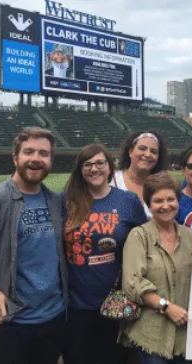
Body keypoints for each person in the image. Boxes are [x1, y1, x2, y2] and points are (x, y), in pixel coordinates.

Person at [0, 128, 67, 363]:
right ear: (15, 157)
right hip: (9, 323)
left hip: (53, 318)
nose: (36, 158)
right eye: (29, 152)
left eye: (43, 153)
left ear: (50, 161)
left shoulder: (56, 202)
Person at [62, 144, 147, 364]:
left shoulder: (128, 201)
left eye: (100, 163)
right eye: (87, 164)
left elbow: (147, 239)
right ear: (80, 170)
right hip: (75, 304)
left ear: (110, 168)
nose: (94, 169)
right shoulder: (66, 201)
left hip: (116, 302)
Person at [121, 172, 192, 363]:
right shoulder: (139, 236)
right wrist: (167, 307)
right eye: (158, 200)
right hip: (152, 336)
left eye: (170, 199)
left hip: (185, 336)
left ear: (178, 200)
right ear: (148, 204)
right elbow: (133, 283)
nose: (165, 206)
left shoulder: (190, 236)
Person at [113, 130, 169, 218]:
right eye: (142, 148)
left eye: (153, 151)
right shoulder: (111, 180)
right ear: (130, 151)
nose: (147, 154)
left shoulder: (162, 186)